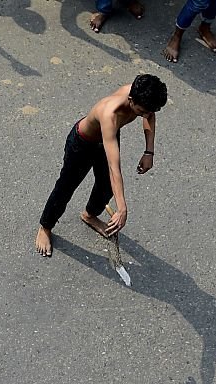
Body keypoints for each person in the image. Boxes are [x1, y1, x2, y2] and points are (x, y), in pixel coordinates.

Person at [35, 74, 167, 257]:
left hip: (107, 140)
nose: (145, 115)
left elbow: (150, 115)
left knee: (106, 187)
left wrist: (149, 151)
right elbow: (115, 169)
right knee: (66, 187)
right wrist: (122, 209)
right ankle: (45, 227)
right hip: (82, 144)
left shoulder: (142, 95)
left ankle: (89, 215)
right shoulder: (110, 113)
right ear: (131, 100)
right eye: (141, 111)